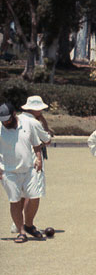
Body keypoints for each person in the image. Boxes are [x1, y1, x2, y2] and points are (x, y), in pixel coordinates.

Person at [0, 103, 45, 243]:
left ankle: (29, 225)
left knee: (34, 197)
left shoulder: (27, 124)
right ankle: (21, 232)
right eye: (2, 120)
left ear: (14, 114)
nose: (5, 122)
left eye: (7, 119)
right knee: (14, 201)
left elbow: (36, 144)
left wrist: (38, 158)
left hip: (29, 169)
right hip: (9, 171)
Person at [17, 96, 53, 234]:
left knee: (20, 194)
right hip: (34, 161)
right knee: (34, 194)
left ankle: (17, 223)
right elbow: (47, 139)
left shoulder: (17, 119)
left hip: (17, 162)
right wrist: (44, 123)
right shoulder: (34, 122)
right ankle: (28, 225)